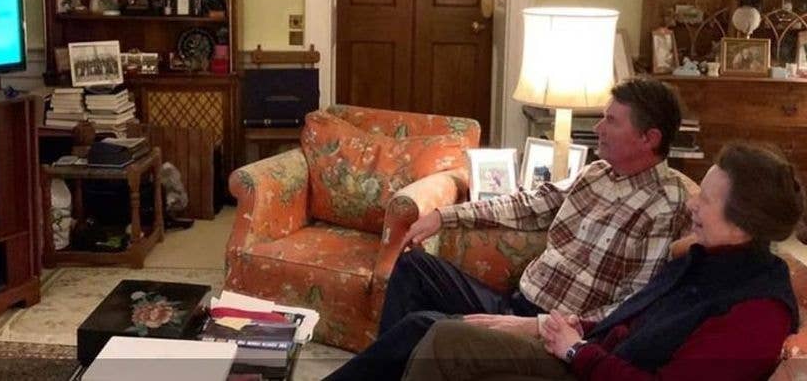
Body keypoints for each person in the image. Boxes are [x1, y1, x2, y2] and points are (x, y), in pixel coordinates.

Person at [324, 78, 690, 381]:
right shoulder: (596, 174)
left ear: (649, 138)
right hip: (519, 301)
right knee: (416, 266)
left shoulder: (664, 205)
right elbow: (529, 205)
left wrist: (540, 325)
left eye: (611, 121)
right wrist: (444, 216)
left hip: (552, 331)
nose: (598, 129)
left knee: (424, 326)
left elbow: (629, 309)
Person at [402, 142, 802, 381]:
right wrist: (584, 328)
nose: (693, 203)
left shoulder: (758, 311)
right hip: (590, 355)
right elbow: (642, 319)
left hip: (592, 368)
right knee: (443, 334)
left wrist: (579, 351)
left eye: (707, 200)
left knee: (444, 339)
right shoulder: (702, 258)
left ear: (744, 223)